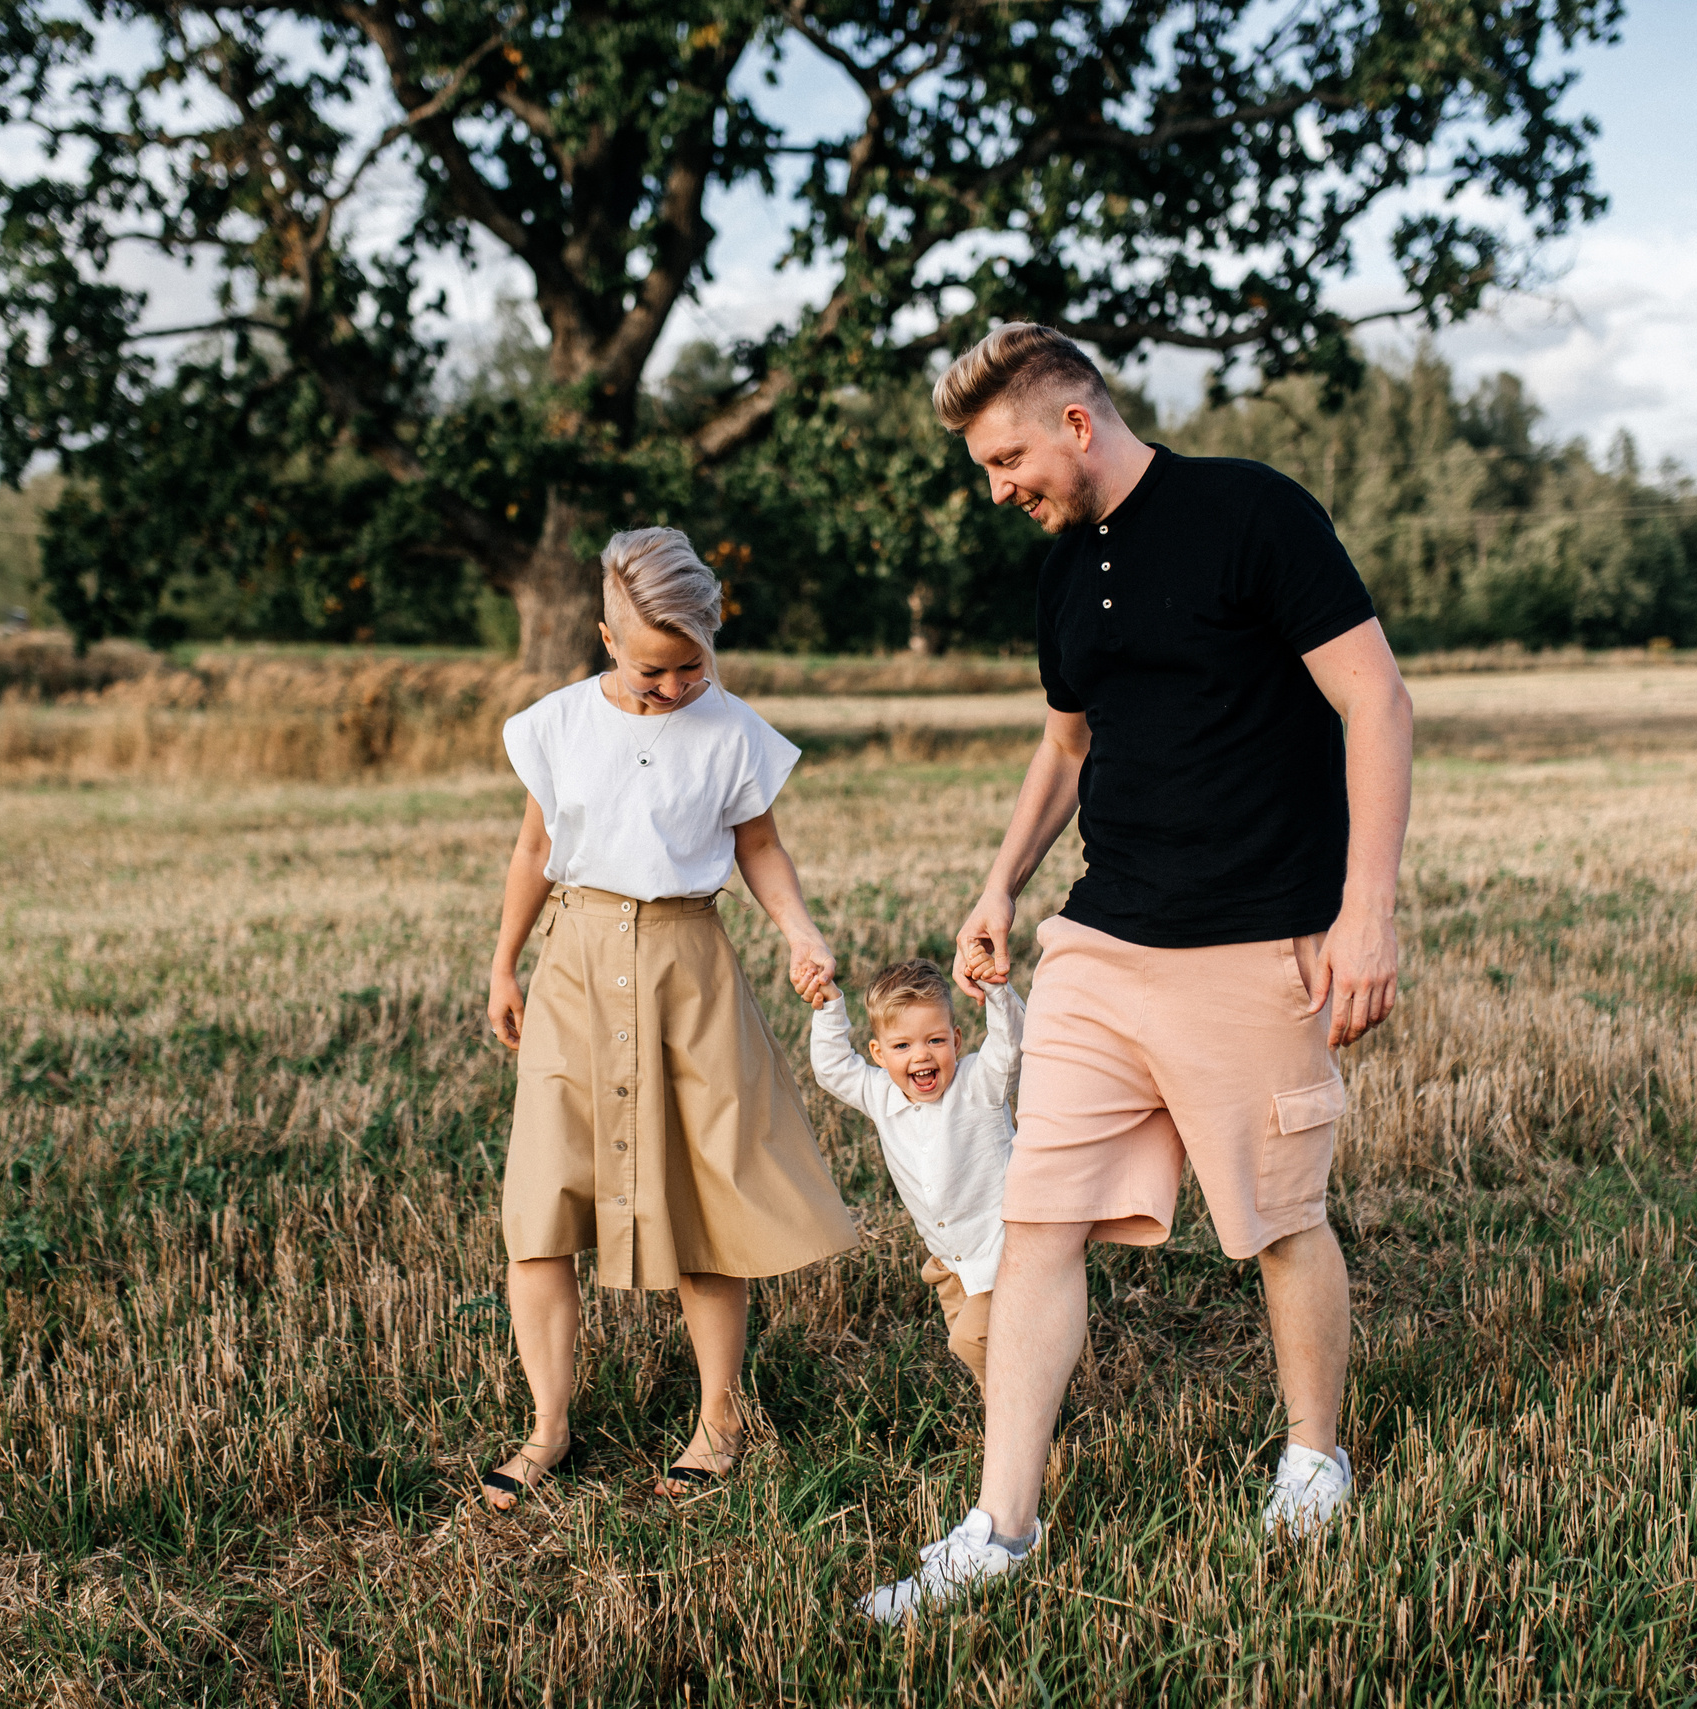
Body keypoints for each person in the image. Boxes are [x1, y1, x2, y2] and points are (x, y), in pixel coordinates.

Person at [858, 324, 1414, 1623]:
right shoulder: (1063, 579)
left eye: (1003, 459)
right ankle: (1001, 1525)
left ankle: (1313, 1457)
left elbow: (1376, 701)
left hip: (1254, 936)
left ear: (1074, 421)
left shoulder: (1250, 513)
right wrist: (1002, 885)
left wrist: (1366, 912)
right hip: (1102, 939)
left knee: (1277, 1218)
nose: (998, 489)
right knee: (1039, 1219)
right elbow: (1066, 748)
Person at [484, 527, 856, 1508]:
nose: (672, 685)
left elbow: (760, 847)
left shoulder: (733, 731)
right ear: (607, 635)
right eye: (653, 667)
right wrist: (503, 962)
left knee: (705, 1207)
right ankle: (547, 1426)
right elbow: (533, 851)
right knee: (540, 1207)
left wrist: (800, 930)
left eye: (691, 664)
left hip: (689, 969)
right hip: (574, 964)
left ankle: (718, 1420)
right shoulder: (556, 725)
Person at [809, 956, 1024, 1389]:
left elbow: (1011, 1045)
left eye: (936, 1040)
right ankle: (1010, 1419)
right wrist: (830, 1007)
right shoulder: (881, 1094)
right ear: (878, 1053)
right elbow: (832, 1070)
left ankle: (1025, 1414)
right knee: (991, 1358)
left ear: (957, 1040)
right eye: (902, 1046)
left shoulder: (978, 1084)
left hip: (1001, 1252)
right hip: (949, 1265)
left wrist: (996, 989)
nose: (922, 1055)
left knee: (973, 1344)